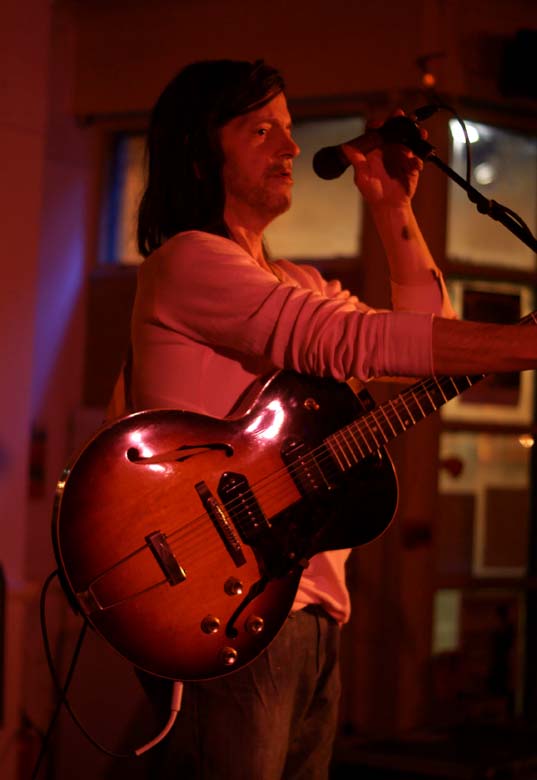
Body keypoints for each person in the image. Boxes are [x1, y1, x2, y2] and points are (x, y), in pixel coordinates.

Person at [108, 59, 537, 779]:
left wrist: (392, 208)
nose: (291, 147)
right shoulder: (188, 263)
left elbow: (420, 340)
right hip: (229, 609)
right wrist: (522, 343)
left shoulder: (298, 283)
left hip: (306, 607)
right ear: (197, 149)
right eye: (260, 129)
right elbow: (349, 338)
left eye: (287, 126)